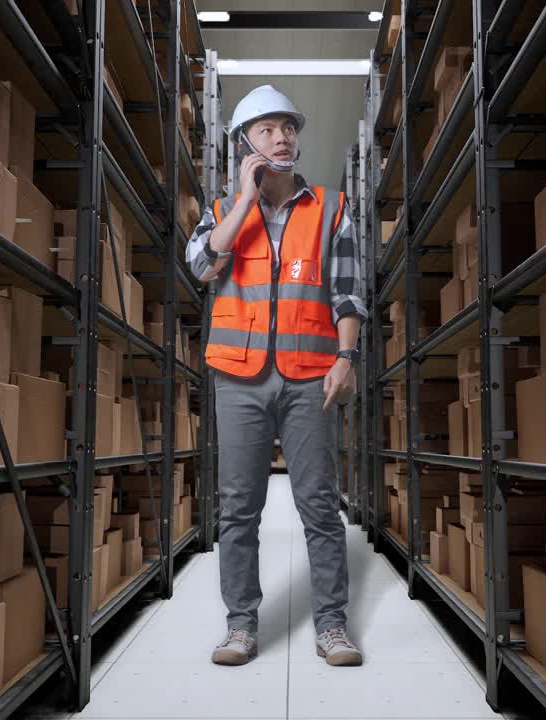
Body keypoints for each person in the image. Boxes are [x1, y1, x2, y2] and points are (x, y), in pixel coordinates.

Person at [186, 85, 367, 667]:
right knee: (238, 506)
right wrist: (242, 199)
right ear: (244, 143)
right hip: (237, 376)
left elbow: (348, 293)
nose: (280, 137)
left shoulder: (332, 208)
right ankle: (240, 625)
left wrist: (346, 358)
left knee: (318, 503)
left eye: (287, 127)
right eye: (264, 129)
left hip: (310, 375)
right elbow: (201, 265)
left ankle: (332, 626)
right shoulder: (220, 213)